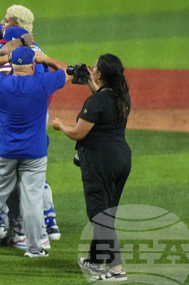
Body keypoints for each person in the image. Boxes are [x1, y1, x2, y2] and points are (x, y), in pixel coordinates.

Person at [0, 47, 68, 258]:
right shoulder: (42, 83)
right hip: (34, 153)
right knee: (32, 200)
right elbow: (68, 71)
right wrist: (47, 58)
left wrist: (6, 58)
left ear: (12, 66)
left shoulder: (0, 83)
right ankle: (34, 249)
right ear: (33, 66)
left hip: (6, 150)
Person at [51, 54, 132, 282]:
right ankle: (96, 261)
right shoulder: (121, 96)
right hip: (122, 158)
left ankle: (117, 269)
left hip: (100, 160)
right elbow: (102, 100)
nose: (92, 67)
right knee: (107, 212)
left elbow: (78, 133)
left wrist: (61, 126)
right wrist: (90, 81)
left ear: (100, 74)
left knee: (99, 215)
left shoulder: (97, 102)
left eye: (95, 66)